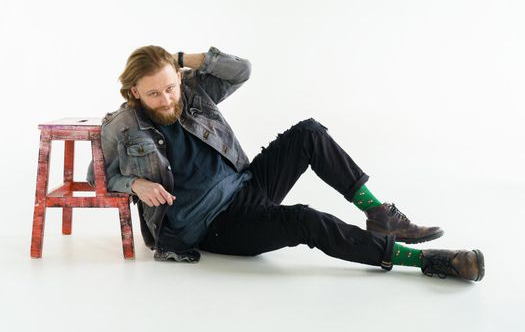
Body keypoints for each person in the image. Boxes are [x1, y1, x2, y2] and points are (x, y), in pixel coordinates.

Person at [87, 45, 485, 282]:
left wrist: (176, 58)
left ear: (179, 76)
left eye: (171, 86)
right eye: (154, 93)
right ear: (134, 90)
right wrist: (135, 185)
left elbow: (241, 69)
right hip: (210, 227)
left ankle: (380, 214)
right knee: (304, 220)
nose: (167, 99)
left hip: (245, 186)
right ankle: (425, 261)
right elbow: (98, 177)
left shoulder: (191, 91)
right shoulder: (120, 125)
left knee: (309, 132)